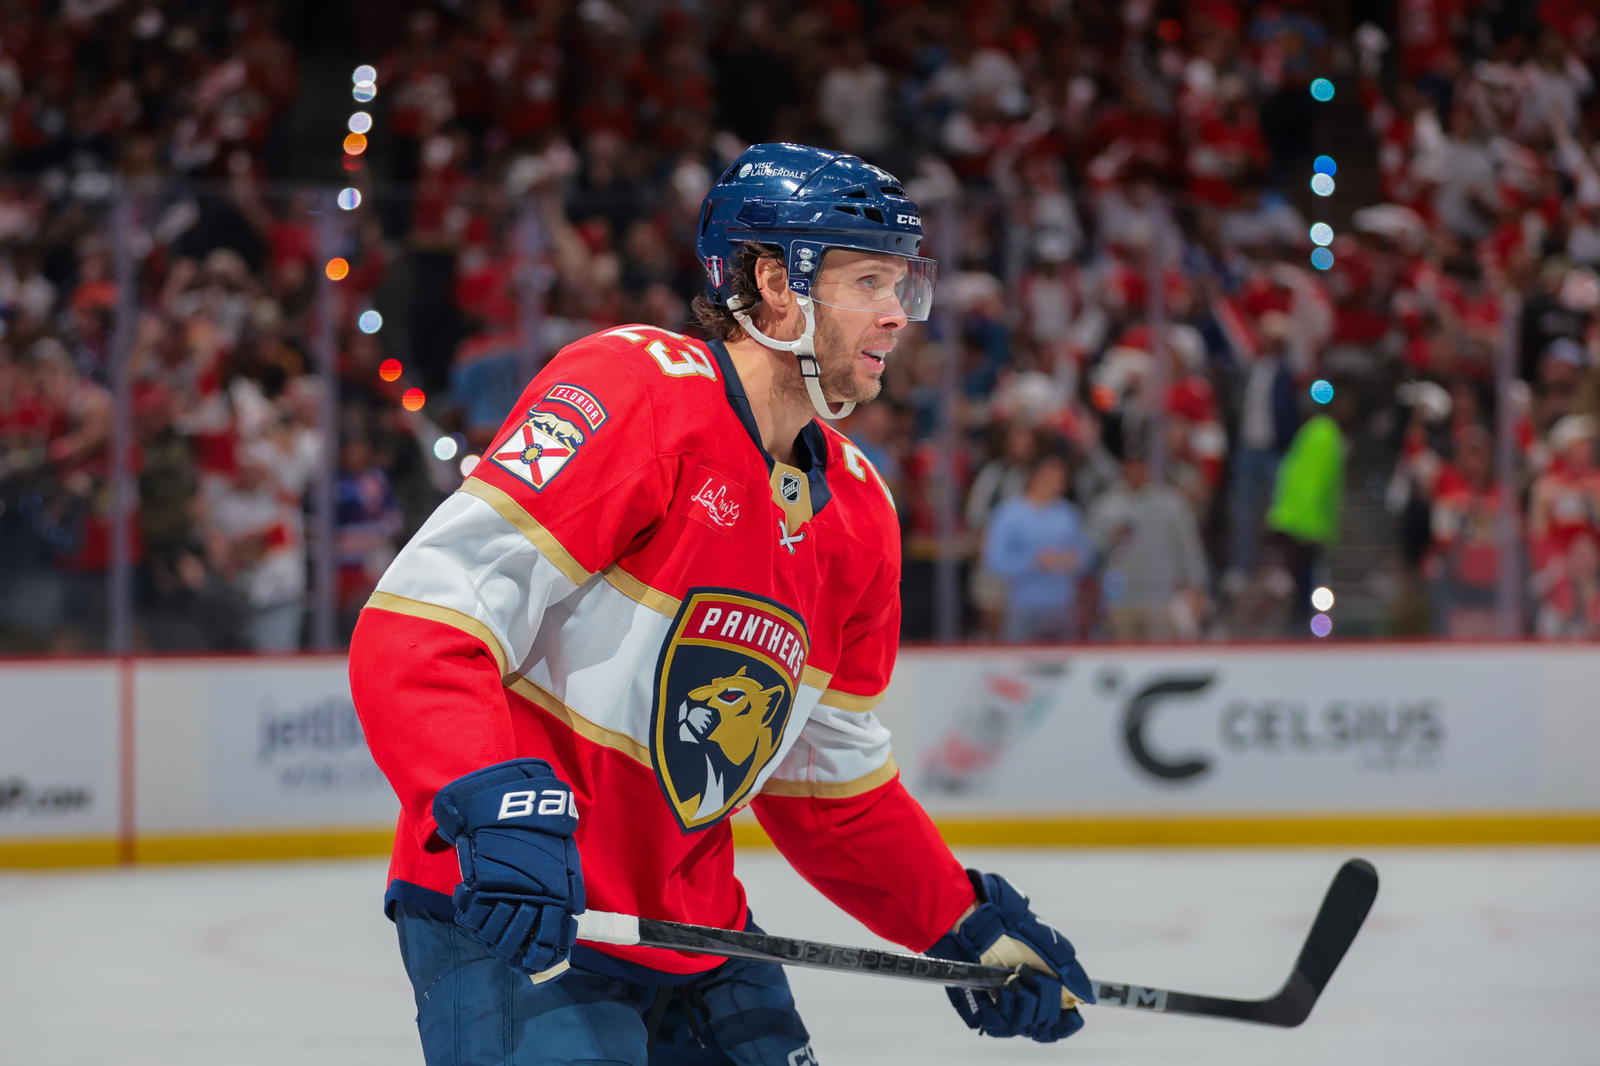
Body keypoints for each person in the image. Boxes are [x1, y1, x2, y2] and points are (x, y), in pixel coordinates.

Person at [348, 143, 1093, 1065]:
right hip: (524, 907)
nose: (899, 313)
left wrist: (962, 921)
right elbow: (423, 623)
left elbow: (827, 789)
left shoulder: (862, 513)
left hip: (699, 934)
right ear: (776, 283)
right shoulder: (636, 391)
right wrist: (494, 804)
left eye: (903, 283)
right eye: (868, 281)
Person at [981, 452, 1092, 642]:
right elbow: (995, 559)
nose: (1061, 481)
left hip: (1063, 605)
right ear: (1038, 476)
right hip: (1023, 605)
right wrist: (1034, 561)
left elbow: (1086, 555)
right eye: (1055, 476)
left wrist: (1072, 560)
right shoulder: (1010, 514)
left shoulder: (1068, 514)